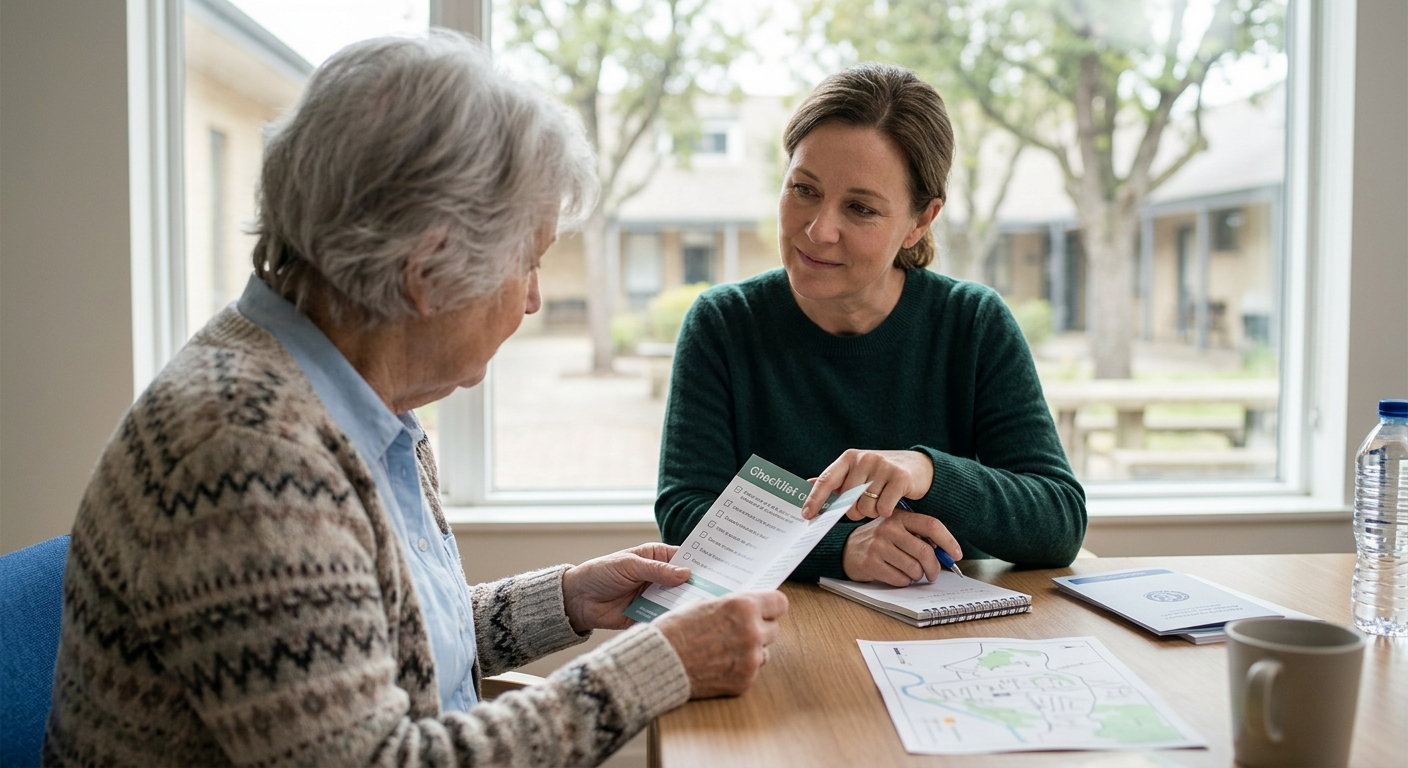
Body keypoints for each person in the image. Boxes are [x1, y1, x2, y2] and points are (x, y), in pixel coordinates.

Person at [45, 32, 786, 768]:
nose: (532, 300)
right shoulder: (249, 452)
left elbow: (376, 649)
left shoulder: (342, 395)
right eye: (526, 263)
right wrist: (658, 665)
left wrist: (565, 599)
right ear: (426, 273)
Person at [656, 63, 1086, 587]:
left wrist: (925, 470)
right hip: (781, 635)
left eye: (860, 208)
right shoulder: (723, 323)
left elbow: (1059, 522)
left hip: (948, 642)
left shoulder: (973, 323)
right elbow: (684, 512)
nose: (818, 230)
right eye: (804, 190)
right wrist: (839, 548)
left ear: (921, 220)